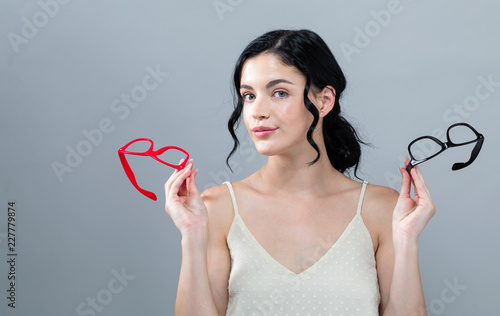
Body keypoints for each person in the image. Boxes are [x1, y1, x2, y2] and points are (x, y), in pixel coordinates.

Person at [164, 29, 435, 316]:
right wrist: (192, 237)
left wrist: (406, 241)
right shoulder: (217, 208)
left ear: (324, 100)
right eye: (249, 95)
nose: (258, 111)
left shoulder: (381, 209)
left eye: (279, 93)